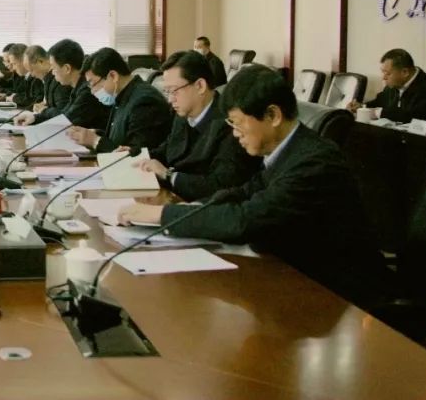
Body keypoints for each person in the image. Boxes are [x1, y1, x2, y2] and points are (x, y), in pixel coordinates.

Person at [118, 65, 389, 309]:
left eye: (237, 123)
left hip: (336, 296)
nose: (235, 133)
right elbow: (243, 192)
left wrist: (161, 215)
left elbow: (245, 219)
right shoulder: (286, 151)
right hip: (288, 274)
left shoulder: (314, 162)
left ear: (272, 115)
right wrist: (194, 208)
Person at [137, 51, 260, 201]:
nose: (170, 100)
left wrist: (168, 175)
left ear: (200, 86)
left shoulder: (231, 124)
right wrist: (136, 155)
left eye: (174, 91)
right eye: (167, 92)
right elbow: (169, 147)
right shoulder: (183, 112)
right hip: (174, 196)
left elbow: (220, 186)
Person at [67, 47, 172, 152]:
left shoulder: (144, 102)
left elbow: (135, 154)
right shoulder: (122, 95)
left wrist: (95, 141)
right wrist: (94, 134)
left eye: (93, 84)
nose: (92, 91)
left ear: (113, 76)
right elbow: (119, 140)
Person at [14, 40, 109, 129]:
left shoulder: (87, 90)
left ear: (67, 68)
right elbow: (64, 113)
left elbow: (66, 120)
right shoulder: (77, 88)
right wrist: (35, 118)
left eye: (54, 68)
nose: (52, 72)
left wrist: (44, 111)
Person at [347, 49, 426, 124]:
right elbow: (379, 101)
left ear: (405, 72)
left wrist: (378, 112)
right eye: (383, 72)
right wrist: (361, 107)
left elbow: (413, 116)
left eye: (387, 73)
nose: (383, 78)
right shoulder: (394, 84)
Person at [18, 45, 53, 111]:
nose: (32, 75)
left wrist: (45, 110)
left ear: (41, 62)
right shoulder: (46, 78)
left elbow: (63, 112)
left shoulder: (58, 80)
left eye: (32, 70)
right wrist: (43, 105)